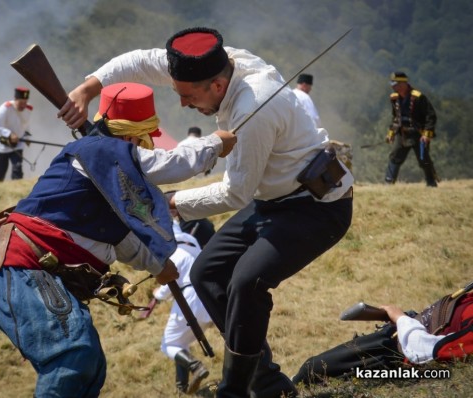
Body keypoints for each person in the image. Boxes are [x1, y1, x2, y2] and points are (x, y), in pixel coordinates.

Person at [58, 26, 353, 397]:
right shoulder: (208, 65)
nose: (182, 104)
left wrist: (171, 203)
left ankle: (234, 390)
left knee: (248, 282)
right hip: (272, 202)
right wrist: (89, 89)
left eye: (187, 96)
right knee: (206, 274)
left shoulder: (253, 107)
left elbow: (236, 192)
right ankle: (270, 386)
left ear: (216, 86)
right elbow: (138, 62)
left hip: (316, 207)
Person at [0, 82, 236, 397]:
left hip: (31, 271)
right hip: (23, 267)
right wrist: (213, 143)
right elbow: (168, 165)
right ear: (131, 136)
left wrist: (158, 266)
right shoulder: (100, 150)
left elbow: (122, 237)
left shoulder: (106, 168)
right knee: (73, 355)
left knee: (90, 365)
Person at [293, 284, 473, 385]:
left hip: (394, 354)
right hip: (404, 332)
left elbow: (427, 351)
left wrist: (401, 318)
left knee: (313, 370)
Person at [153, 213, 214, 395]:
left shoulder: (175, 254)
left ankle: (195, 366)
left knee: (168, 344)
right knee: (180, 344)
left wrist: (156, 295)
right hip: (209, 300)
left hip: (189, 300)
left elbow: (166, 288)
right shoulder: (197, 252)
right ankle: (183, 388)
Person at [384, 71, 439, 187]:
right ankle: (389, 183)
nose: (393, 86)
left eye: (396, 84)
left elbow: (431, 115)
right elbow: (395, 117)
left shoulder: (418, 97)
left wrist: (427, 134)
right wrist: (391, 133)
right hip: (402, 133)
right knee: (395, 156)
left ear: (404, 84)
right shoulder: (394, 98)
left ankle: (431, 183)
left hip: (418, 134)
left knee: (423, 159)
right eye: (393, 84)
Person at [0, 87, 33, 181]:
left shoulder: (28, 109)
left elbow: (25, 125)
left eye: (25, 102)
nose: (23, 106)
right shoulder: (5, 108)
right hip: (0, 146)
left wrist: (27, 136)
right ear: (15, 99)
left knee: (18, 172)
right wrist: (9, 134)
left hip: (17, 145)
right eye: (21, 103)